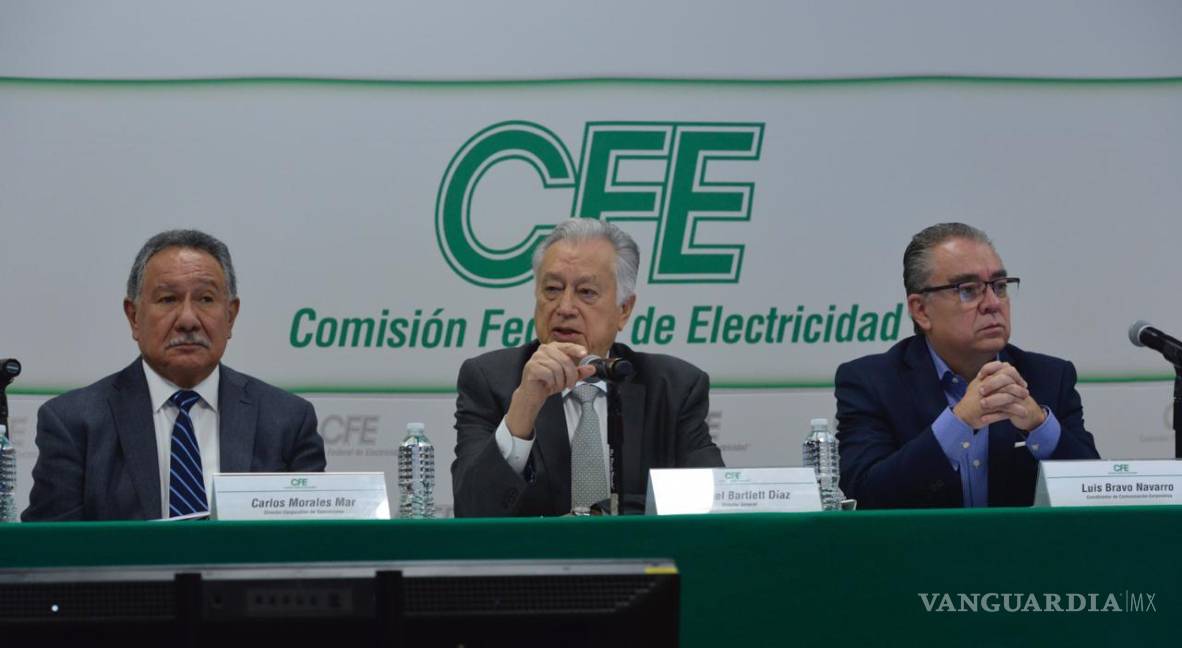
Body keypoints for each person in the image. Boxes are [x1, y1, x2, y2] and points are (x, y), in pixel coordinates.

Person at [23, 230, 325, 521]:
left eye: (206, 299)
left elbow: (313, 543)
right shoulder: (74, 424)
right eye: (168, 299)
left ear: (230, 316)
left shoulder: (287, 421)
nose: (188, 320)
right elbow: (49, 549)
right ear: (134, 317)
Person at [452, 219, 723, 516]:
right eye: (552, 289)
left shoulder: (674, 388)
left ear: (624, 310)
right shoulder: (491, 381)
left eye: (586, 292)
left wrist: (603, 515)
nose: (565, 307)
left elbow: (712, 504)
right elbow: (471, 511)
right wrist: (524, 406)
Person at [834, 223, 1099, 509]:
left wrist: (1039, 425)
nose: (993, 303)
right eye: (969, 290)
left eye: (999, 286)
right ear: (921, 310)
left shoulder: (1050, 378)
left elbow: (1097, 492)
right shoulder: (871, 383)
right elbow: (864, 497)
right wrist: (958, 423)